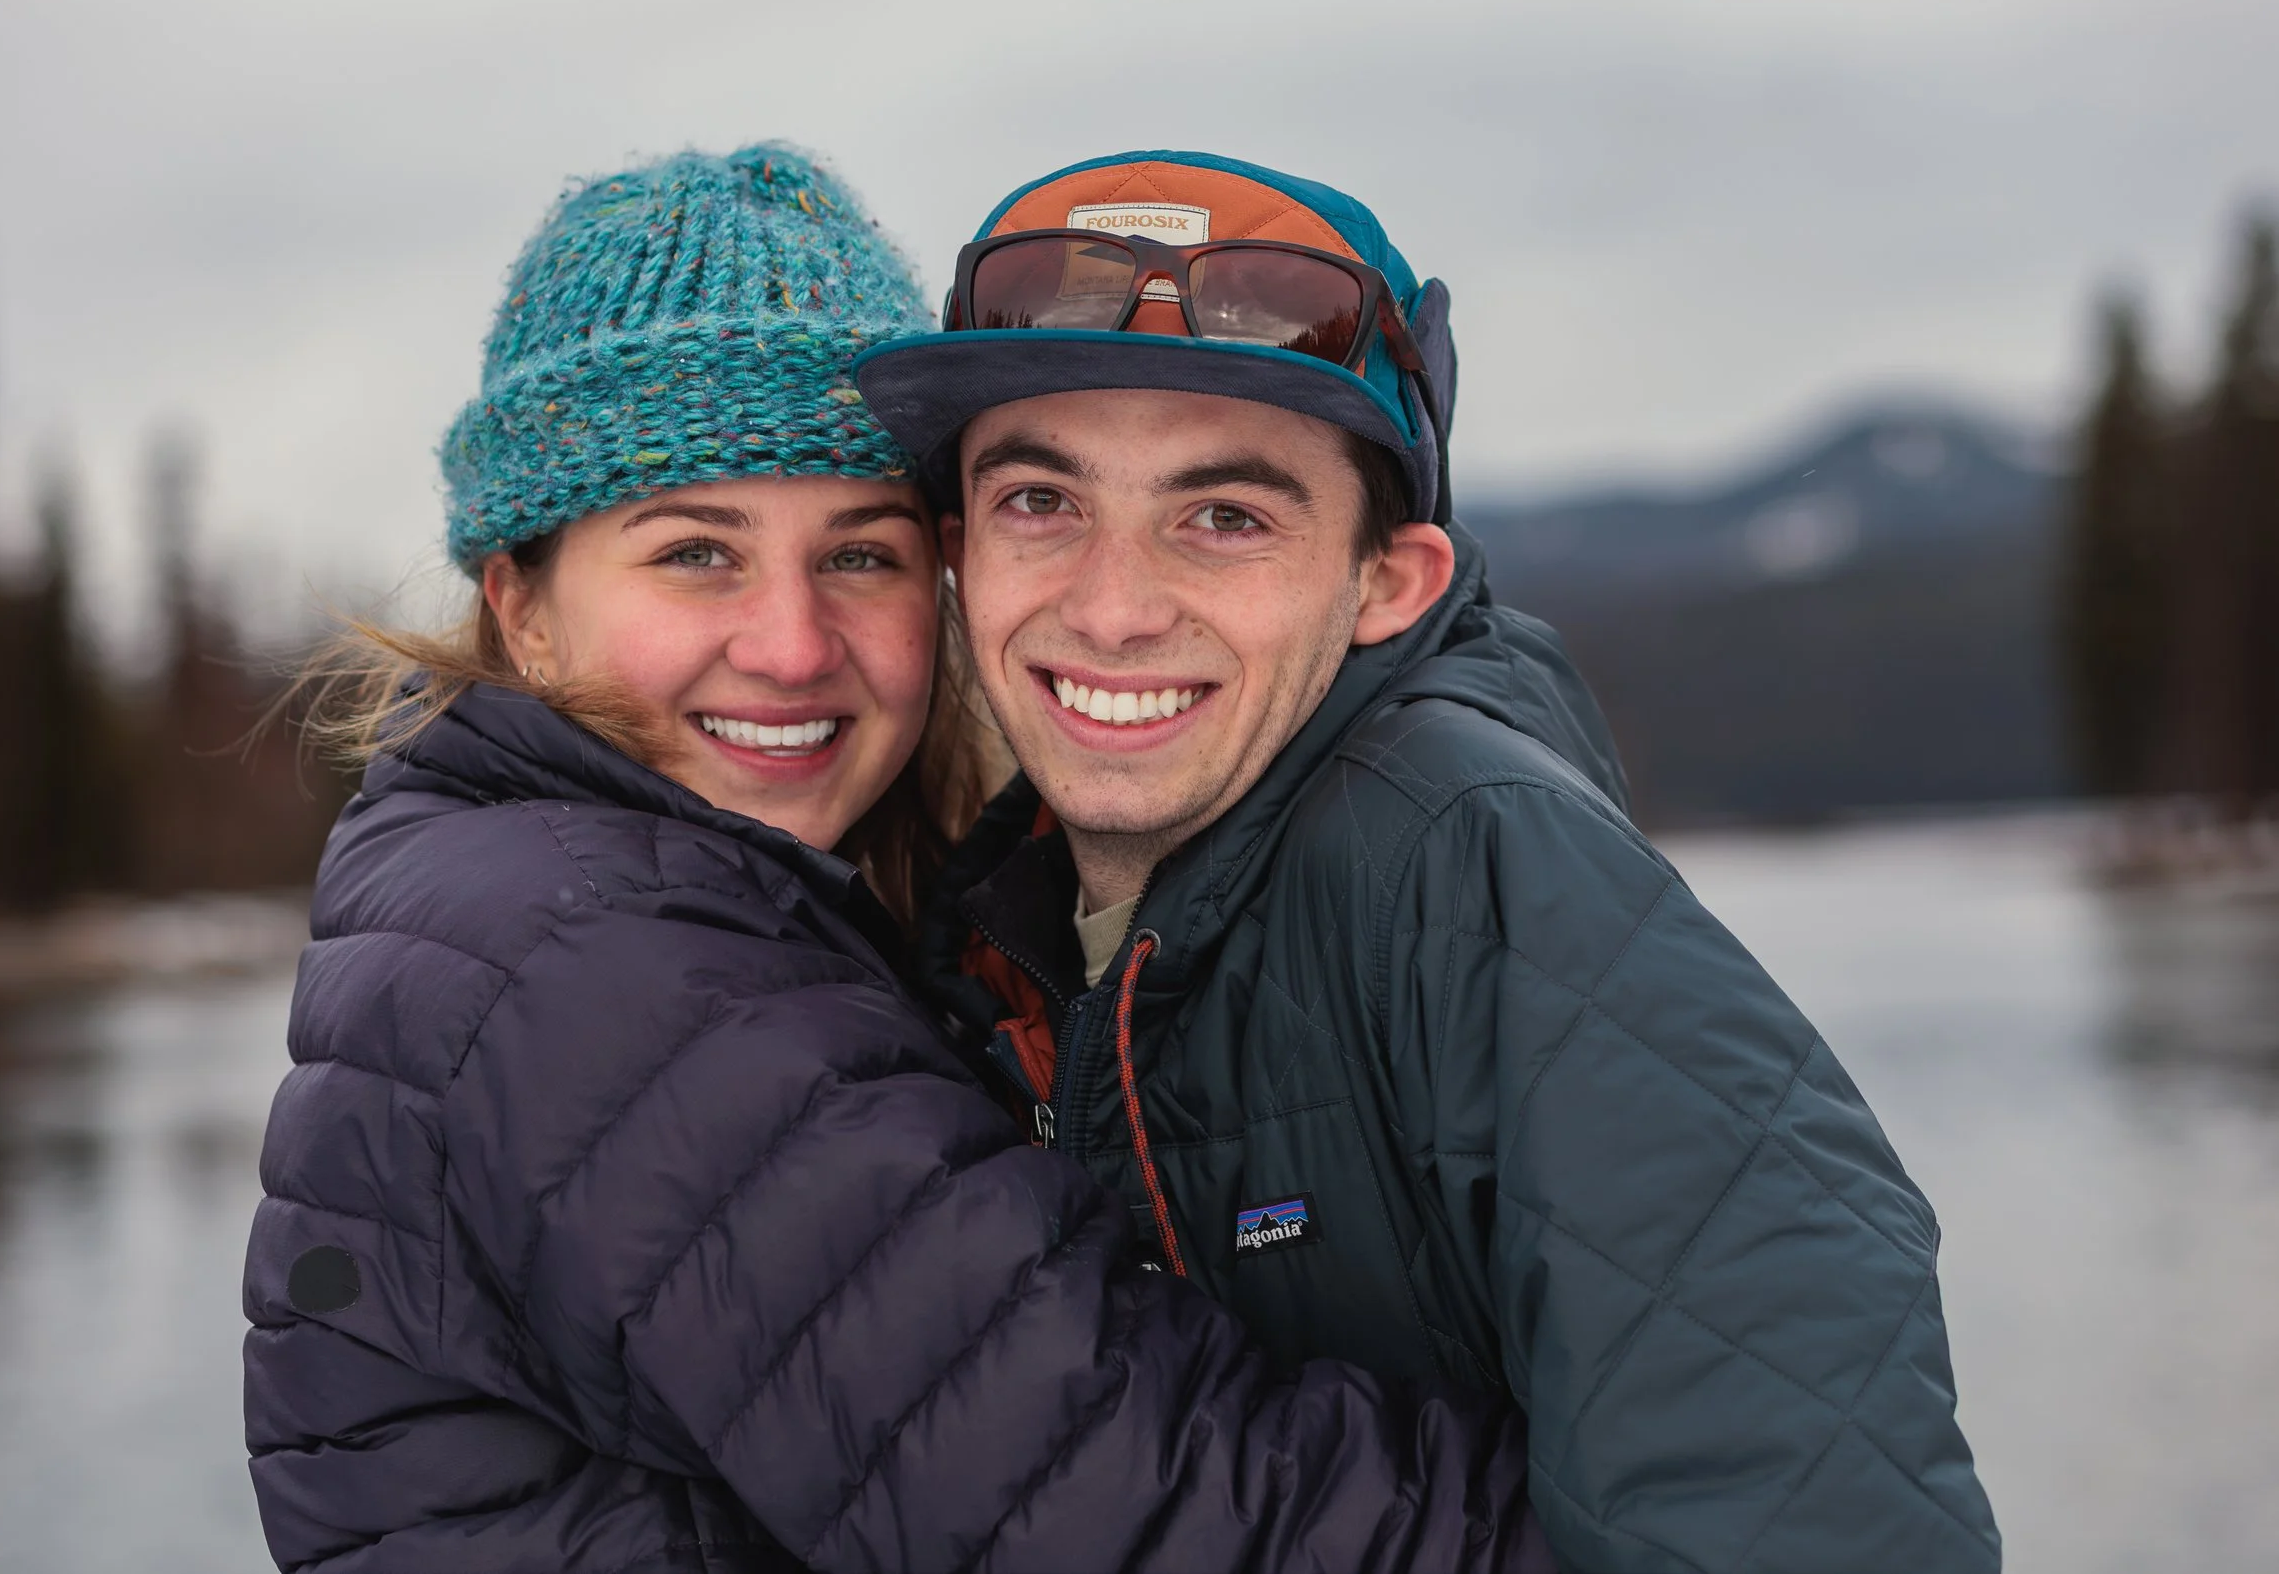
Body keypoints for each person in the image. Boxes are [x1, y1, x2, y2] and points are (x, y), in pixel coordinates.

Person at [241, 144, 1552, 1573]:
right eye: (696, 554)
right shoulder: (604, 966)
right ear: (525, 607)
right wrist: (1641, 1498)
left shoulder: (567, 897)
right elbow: (1139, 1507)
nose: (792, 646)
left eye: (860, 555)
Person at [857, 149, 2006, 1573]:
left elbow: (1800, 1492)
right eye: (1043, 501)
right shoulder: (991, 932)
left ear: (1388, 583)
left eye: (1226, 517)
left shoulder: (1470, 867)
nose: (1114, 607)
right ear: (960, 552)